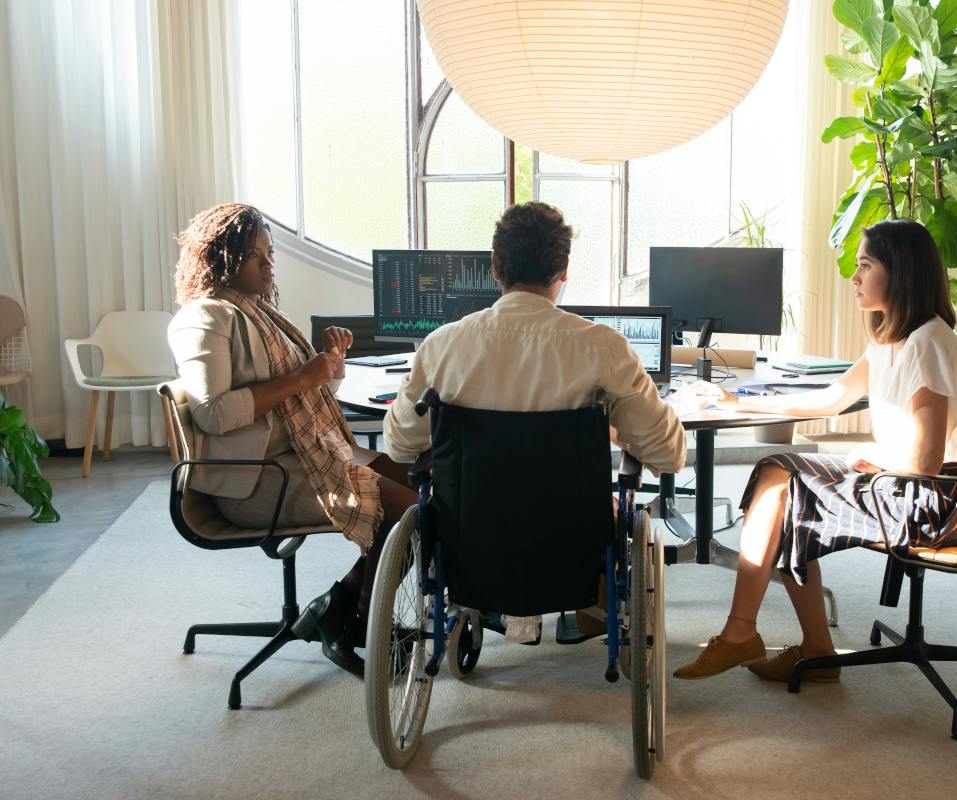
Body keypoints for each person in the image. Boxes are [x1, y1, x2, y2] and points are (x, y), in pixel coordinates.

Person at [672, 218, 957, 680]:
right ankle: (793, 646)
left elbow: (925, 461)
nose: (854, 277)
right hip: (904, 482)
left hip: (935, 500)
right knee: (778, 475)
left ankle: (765, 639)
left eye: (866, 265)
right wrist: (737, 402)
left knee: (786, 489)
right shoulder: (891, 339)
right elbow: (829, 399)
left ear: (901, 273)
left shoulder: (927, 342)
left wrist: (875, 459)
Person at [384, 201, 687, 643]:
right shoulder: (603, 347)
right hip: (571, 544)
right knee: (615, 509)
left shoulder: (441, 347)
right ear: (563, 269)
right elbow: (667, 453)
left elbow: (398, 445)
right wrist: (617, 428)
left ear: (494, 266)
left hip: (470, 540)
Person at [168, 203, 417, 678]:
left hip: (302, 454)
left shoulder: (263, 313)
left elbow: (305, 401)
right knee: (406, 511)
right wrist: (304, 377)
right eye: (254, 255)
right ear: (222, 259)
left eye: (270, 253)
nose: (268, 264)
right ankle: (365, 627)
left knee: (424, 483)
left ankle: (338, 606)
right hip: (256, 478)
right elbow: (213, 413)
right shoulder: (205, 318)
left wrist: (329, 364)